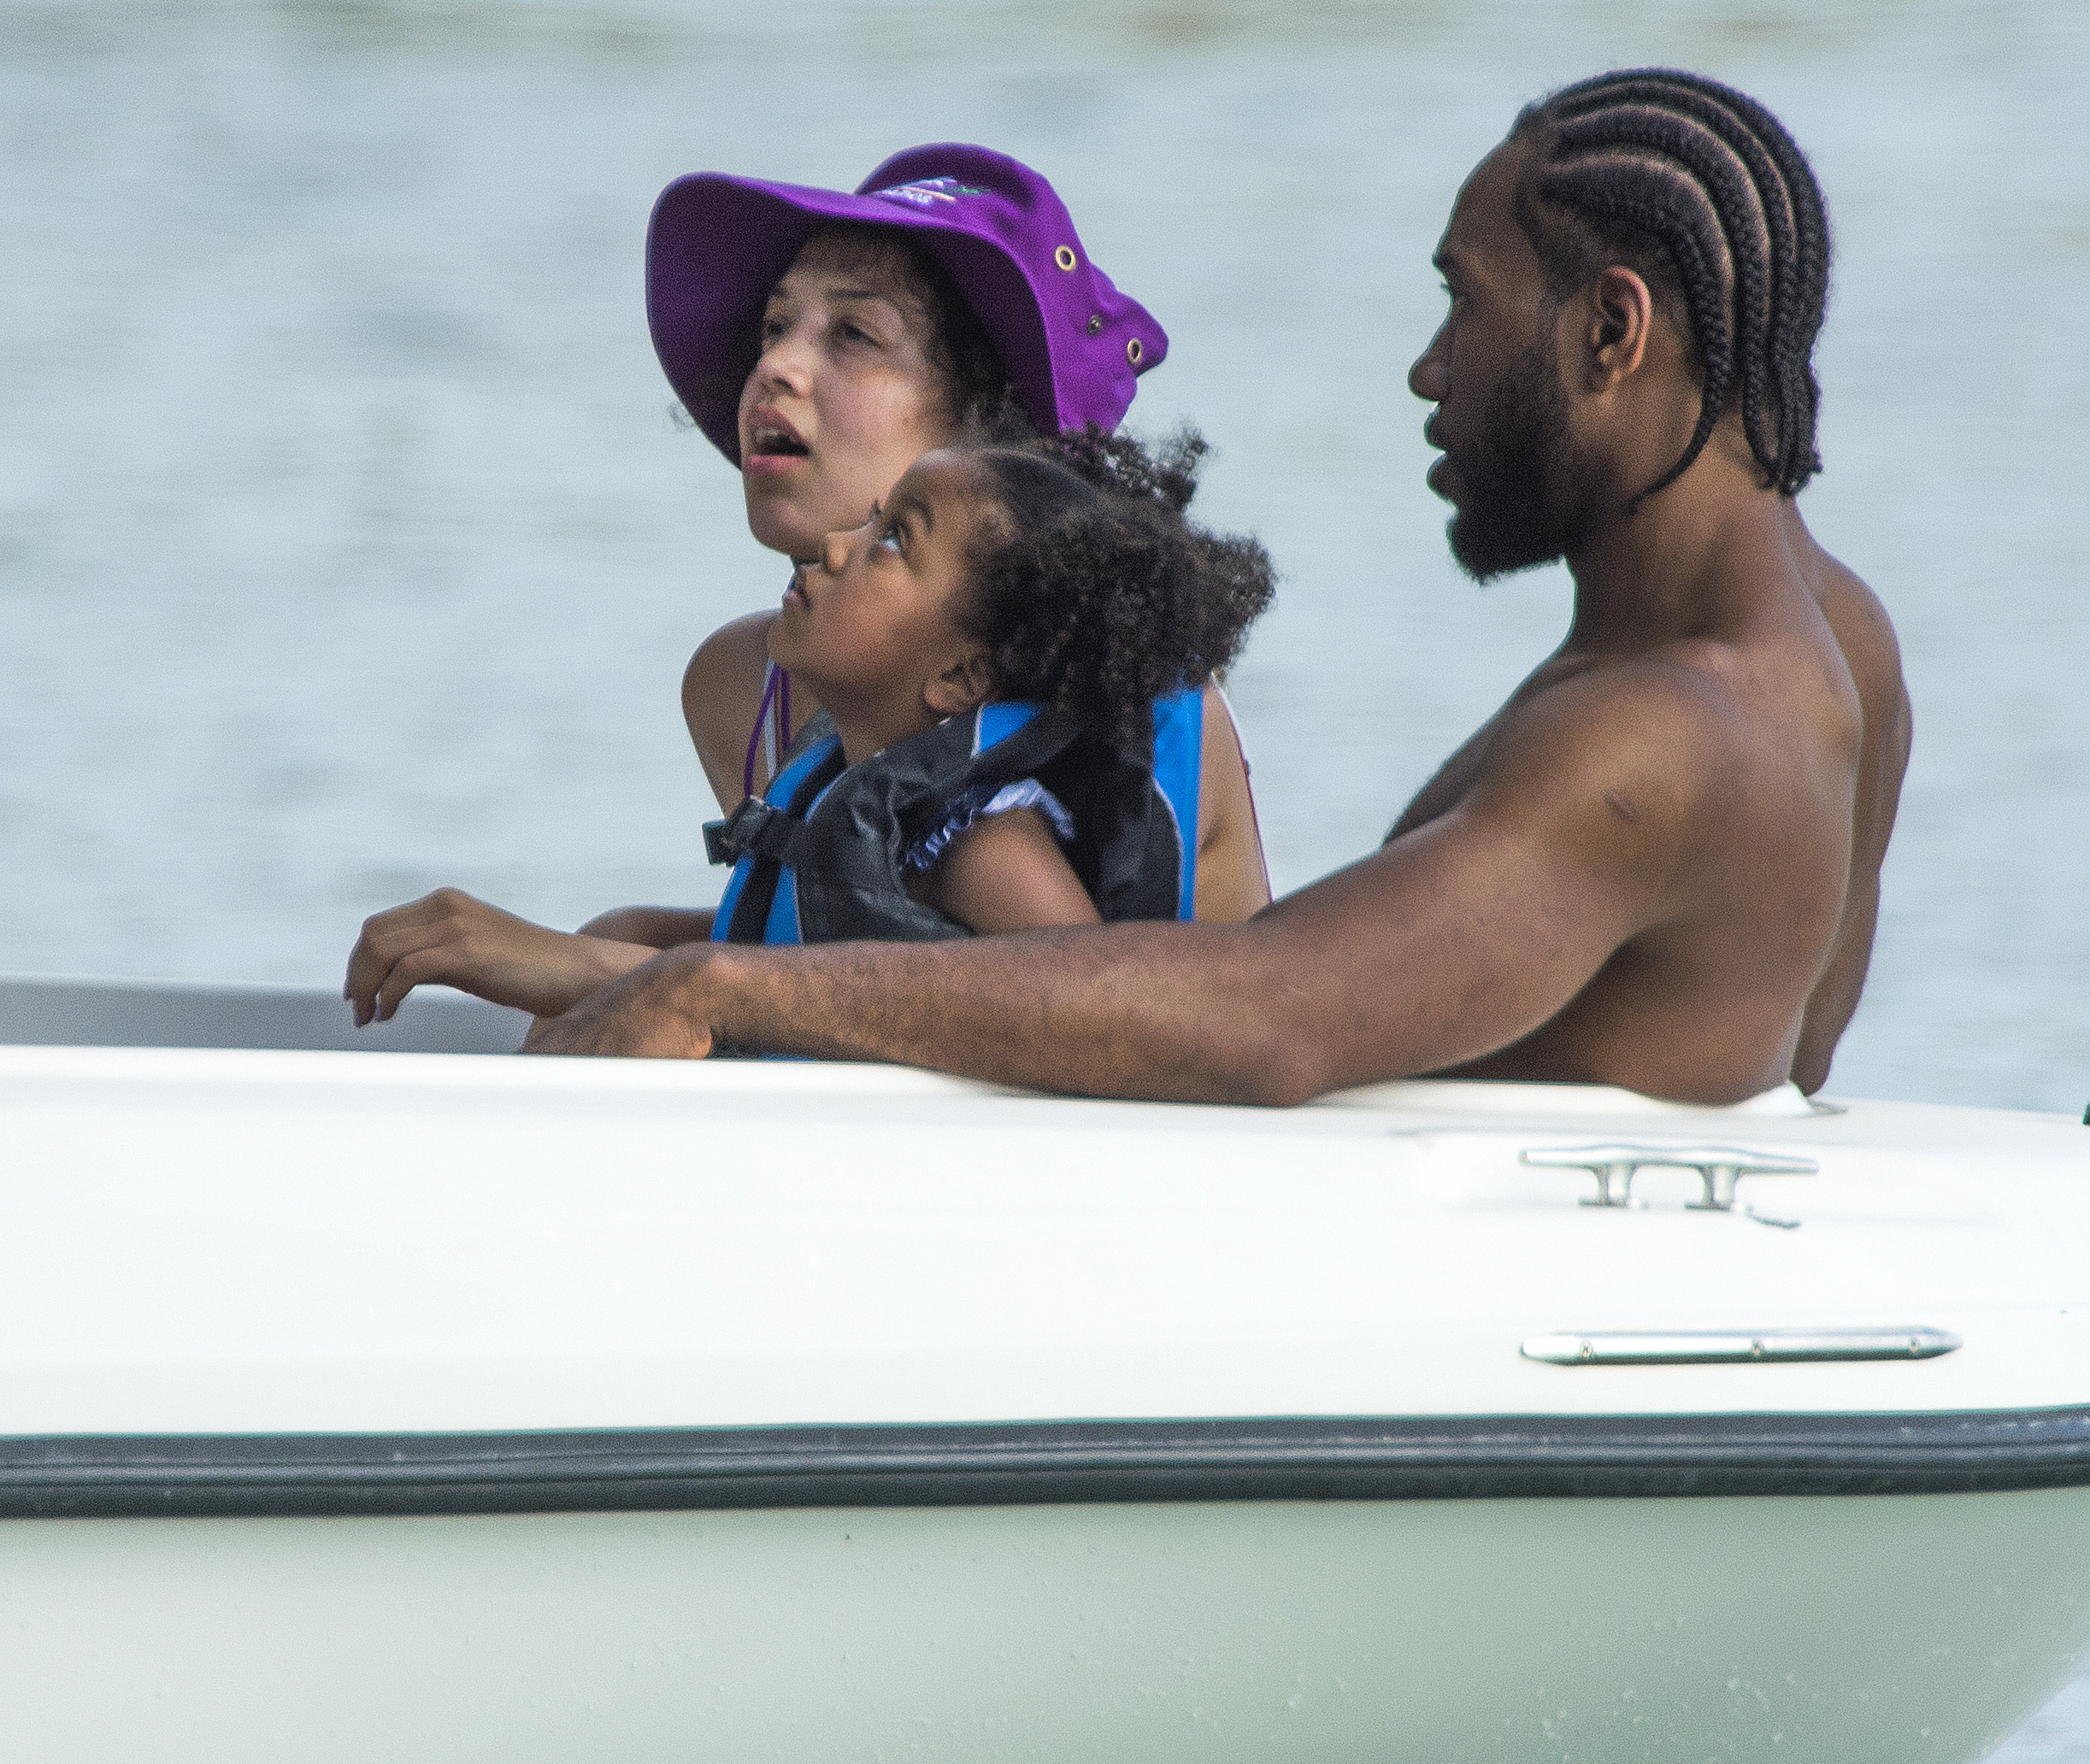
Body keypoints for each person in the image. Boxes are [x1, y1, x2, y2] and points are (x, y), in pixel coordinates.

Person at [527, 69, 1911, 1106]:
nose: (1429, 368)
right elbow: (1801, 1063)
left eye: (1464, 305)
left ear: (1611, 330)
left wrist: (722, 986)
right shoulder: (1838, 642)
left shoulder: (1659, 739)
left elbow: (1269, 1017)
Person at [345, 145, 1269, 1013]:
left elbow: (1082, 1011)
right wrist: (622, 949)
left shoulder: (1121, 703)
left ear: (991, 433)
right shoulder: (740, 687)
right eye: (776, 326)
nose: (774, 367)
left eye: (855, 334)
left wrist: (620, 971)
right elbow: (849, 937)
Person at [347, 427, 1271, 1023]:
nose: (836, 544)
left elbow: (1094, 1008)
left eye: (892, 541)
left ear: (961, 676)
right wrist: (615, 942)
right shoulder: (844, 778)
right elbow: (802, 946)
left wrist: (571, 964)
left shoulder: (982, 842)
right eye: (871, 520)